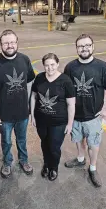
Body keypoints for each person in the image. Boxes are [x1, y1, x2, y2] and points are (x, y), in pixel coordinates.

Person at [64, 34, 106, 187]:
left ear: (93, 46)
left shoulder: (102, 67)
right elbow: (66, 90)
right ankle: (80, 160)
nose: (84, 48)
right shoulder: (70, 67)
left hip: (93, 118)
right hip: (75, 116)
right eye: (81, 46)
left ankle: (93, 168)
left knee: (93, 144)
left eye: (88, 45)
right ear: (76, 48)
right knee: (78, 140)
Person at [0, 29, 35, 178]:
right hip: (3, 114)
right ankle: (7, 162)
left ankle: (23, 160)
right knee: (6, 141)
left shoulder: (25, 59)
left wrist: (30, 107)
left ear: (17, 43)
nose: (10, 45)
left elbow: (30, 82)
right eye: (6, 43)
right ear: (1, 45)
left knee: (22, 139)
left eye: (12, 42)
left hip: (22, 112)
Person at [30, 53, 75, 181]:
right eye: (46, 65)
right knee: (44, 144)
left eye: (52, 65)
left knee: (54, 147)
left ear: (58, 64)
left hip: (59, 122)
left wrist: (70, 124)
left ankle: (53, 167)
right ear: (43, 66)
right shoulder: (39, 78)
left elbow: (71, 104)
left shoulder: (65, 80)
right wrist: (33, 115)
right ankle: (46, 164)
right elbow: (33, 97)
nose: (50, 68)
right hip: (41, 120)